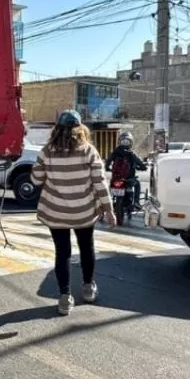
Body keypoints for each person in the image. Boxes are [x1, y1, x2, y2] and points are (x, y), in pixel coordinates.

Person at [31, 109, 116, 316]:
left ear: (57, 129)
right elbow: (100, 184)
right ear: (80, 129)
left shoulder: (47, 151)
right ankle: (88, 288)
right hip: (84, 213)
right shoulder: (88, 151)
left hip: (56, 212)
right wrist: (109, 210)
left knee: (63, 253)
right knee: (87, 248)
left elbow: (36, 180)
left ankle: (64, 298)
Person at [105, 132, 147, 218]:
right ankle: (136, 202)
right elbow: (140, 163)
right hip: (129, 179)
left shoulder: (115, 152)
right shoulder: (131, 153)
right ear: (131, 142)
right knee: (137, 184)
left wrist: (107, 168)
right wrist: (143, 167)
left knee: (110, 189)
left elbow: (107, 162)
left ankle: (109, 203)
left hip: (116, 178)